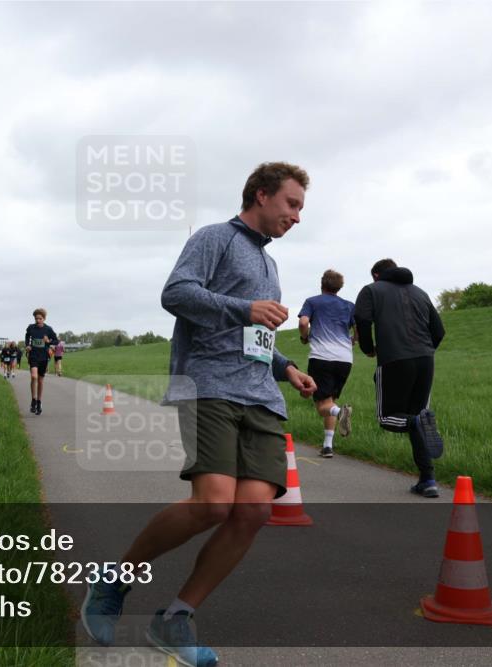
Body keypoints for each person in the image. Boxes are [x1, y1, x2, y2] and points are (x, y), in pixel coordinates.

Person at [81, 162, 316, 667]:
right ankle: (114, 582)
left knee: (253, 510)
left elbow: (256, 337)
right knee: (212, 504)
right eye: (291, 204)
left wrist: (287, 367)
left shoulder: (270, 266)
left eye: (300, 208)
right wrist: (244, 308)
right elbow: (176, 294)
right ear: (260, 195)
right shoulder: (216, 238)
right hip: (210, 385)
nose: (297, 217)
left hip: (261, 397)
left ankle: (176, 616)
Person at [354, 258, 445, 498]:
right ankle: (428, 480)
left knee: (388, 418)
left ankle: (416, 423)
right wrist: (425, 350)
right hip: (426, 360)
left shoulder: (371, 290)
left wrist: (368, 348)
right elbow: (439, 331)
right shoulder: (421, 292)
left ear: (376, 275)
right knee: (419, 415)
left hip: (393, 359)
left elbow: (362, 319)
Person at [298, 269, 355, 458]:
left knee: (323, 405)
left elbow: (303, 322)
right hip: (345, 359)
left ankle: (340, 413)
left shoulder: (312, 301)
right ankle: (328, 446)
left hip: (322, 358)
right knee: (330, 401)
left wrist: (304, 337)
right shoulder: (349, 305)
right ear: (340, 287)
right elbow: (360, 329)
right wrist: (353, 340)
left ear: (322, 283)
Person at [25, 309, 59, 415]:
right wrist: (27, 345)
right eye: (36, 318)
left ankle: (39, 401)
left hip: (44, 357)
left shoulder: (48, 329)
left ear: (44, 318)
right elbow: (27, 337)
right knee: (34, 377)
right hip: (33, 356)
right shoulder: (31, 327)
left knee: (40, 380)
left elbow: (56, 341)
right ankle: (33, 400)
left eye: (40, 318)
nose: (38, 320)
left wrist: (49, 341)